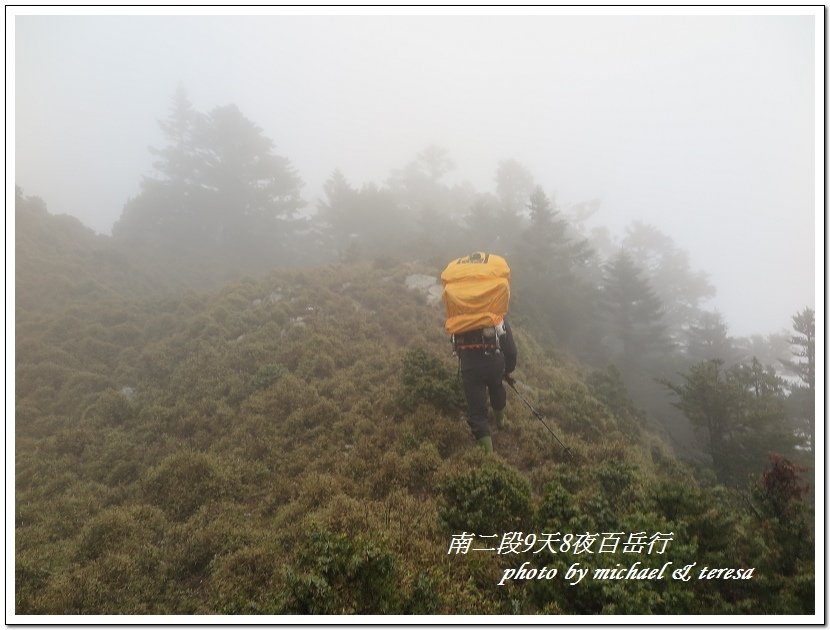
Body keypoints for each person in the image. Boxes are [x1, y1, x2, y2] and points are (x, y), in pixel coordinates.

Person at [454, 317, 517, 453]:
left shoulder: (460, 315)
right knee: (497, 388)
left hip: (470, 366)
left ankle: (488, 456)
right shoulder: (496, 313)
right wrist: (508, 370)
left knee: (477, 413)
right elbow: (511, 350)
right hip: (494, 362)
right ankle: (501, 422)